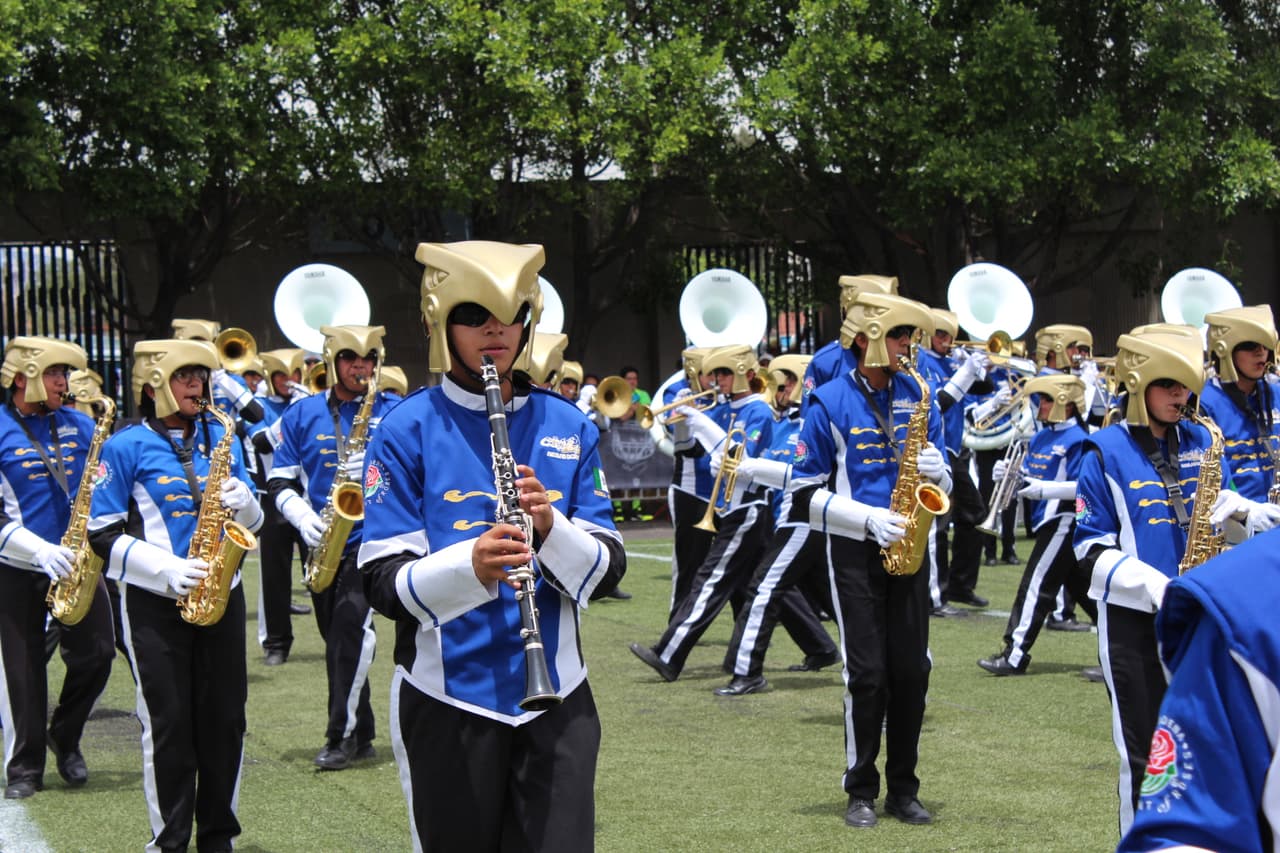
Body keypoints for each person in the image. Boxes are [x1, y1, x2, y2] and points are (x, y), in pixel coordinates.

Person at [358, 239, 625, 851]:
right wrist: (473, 564)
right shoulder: (406, 428)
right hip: (446, 698)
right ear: (441, 321)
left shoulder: (568, 426)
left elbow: (608, 569)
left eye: (508, 318)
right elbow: (380, 581)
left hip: (557, 698)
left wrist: (552, 530)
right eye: (474, 317)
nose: (494, 332)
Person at [1074, 328, 1280, 833]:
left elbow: (1223, 517)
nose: (1180, 397)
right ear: (1137, 384)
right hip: (1132, 624)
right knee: (1145, 758)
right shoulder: (1102, 451)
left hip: (1201, 617)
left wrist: (1244, 513)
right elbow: (1089, 550)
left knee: (1210, 751)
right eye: (1167, 386)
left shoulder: (1205, 439)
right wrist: (1155, 587)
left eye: (1185, 387)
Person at [87, 338, 264, 852]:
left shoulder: (221, 435)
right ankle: (169, 841)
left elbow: (255, 523)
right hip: (154, 606)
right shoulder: (124, 446)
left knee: (226, 722)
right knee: (170, 727)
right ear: (153, 385)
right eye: (185, 377)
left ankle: (218, 839)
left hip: (223, 597)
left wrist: (248, 502)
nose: (197, 387)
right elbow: (101, 534)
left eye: (201, 377)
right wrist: (165, 569)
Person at [786, 291, 950, 829]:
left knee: (912, 672)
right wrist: (867, 520)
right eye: (901, 336)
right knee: (869, 673)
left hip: (911, 543)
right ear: (866, 339)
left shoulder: (919, 393)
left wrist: (941, 471)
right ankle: (860, 787)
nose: (910, 347)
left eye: (912, 336)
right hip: (856, 549)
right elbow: (803, 496)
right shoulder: (828, 400)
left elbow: (946, 476)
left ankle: (904, 788)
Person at [269, 324, 398, 770]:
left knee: (349, 633)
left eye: (367, 359)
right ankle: (362, 731)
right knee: (338, 642)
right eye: (349, 358)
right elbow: (279, 479)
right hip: (324, 540)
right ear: (332, 361)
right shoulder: (302, 414)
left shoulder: (397, 412)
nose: (360, 367)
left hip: (375, 544)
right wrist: (301, 517)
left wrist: (381, 466)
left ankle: (337, 737)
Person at [0, 337, 116, 800]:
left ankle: (65, 734)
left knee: (99, 653)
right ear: (22, 377)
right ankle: (25, 768)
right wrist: (39, 551)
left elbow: (102, 485)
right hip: (17, 562)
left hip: (78, 561)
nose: (64, 384)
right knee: (24, 667)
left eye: (66, 374)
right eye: (54, 374)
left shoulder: (79, 423)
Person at [1116, 528, 1280, 852]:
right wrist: (1149, 581)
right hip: (1145, 608)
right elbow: (1187, 835)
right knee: (1135, 746)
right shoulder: (1249, 602)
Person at [629, 344, 775, 683]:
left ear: (746, 375)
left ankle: (669, 654)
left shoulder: (758, 411)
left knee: (711, 581)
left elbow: (741, 457)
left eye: (725, 373)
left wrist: (701, 423)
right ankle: (815, 647)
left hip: (748, 506)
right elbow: (702, 452)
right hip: (731, 507)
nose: (717, 380)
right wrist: (686, 423)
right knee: (754, 588)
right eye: (715, 373)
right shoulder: (725, 409)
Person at [715, 354, 841, 695]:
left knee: (764, 589)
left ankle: (747, 672)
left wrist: (753, 468)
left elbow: (805, 477)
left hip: (804, 516)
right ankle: (826, 650)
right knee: (840, 598)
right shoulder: (782, 422)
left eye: (784, 383)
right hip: (789, 518)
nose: (777, 389)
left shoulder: (814, 421)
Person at [977, 374, 1097, 675]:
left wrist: (1042, 488)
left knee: (1035, 584)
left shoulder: (1081, 440)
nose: (1039, 406)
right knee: (1093, 595)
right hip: (1048, 521)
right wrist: (1006, 474)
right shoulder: (1041, 436)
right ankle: (1122, 655)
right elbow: (1026, 475)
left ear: (1066, 405)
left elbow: (1085, 487)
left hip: (1066, 519)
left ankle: (1015, 655)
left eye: (1046, 400)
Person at [917, 308, 992, 613]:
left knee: (974, 513)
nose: (946, 341)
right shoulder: (921, 361)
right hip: (936, 449)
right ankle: (936, 595)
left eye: (949, 335)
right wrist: (965, 373)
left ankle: (960, 584)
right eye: (940, 334)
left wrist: (978, 369)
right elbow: (940, 402)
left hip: (954, 448)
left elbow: (984, 388)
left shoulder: (949, 361)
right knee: (939, 523)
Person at [246, 348, 309, 666]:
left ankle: (334, 632)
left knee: (318, 571)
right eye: (283, 375)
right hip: (272, 497)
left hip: (308, 495)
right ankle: (276, 643)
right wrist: (298, 410)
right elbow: (263, 442)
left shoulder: (310, 403)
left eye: (295, 374)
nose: (290, 381)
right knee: (274, 574)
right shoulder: (257, 408)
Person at [1197, 305, 1280, 503]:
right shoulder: (1203, 404)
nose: (1261, 352)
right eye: (1251, 346)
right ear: (1225, 350)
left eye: (1265, 345)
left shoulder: (1276, 392)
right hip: (1239, 522)